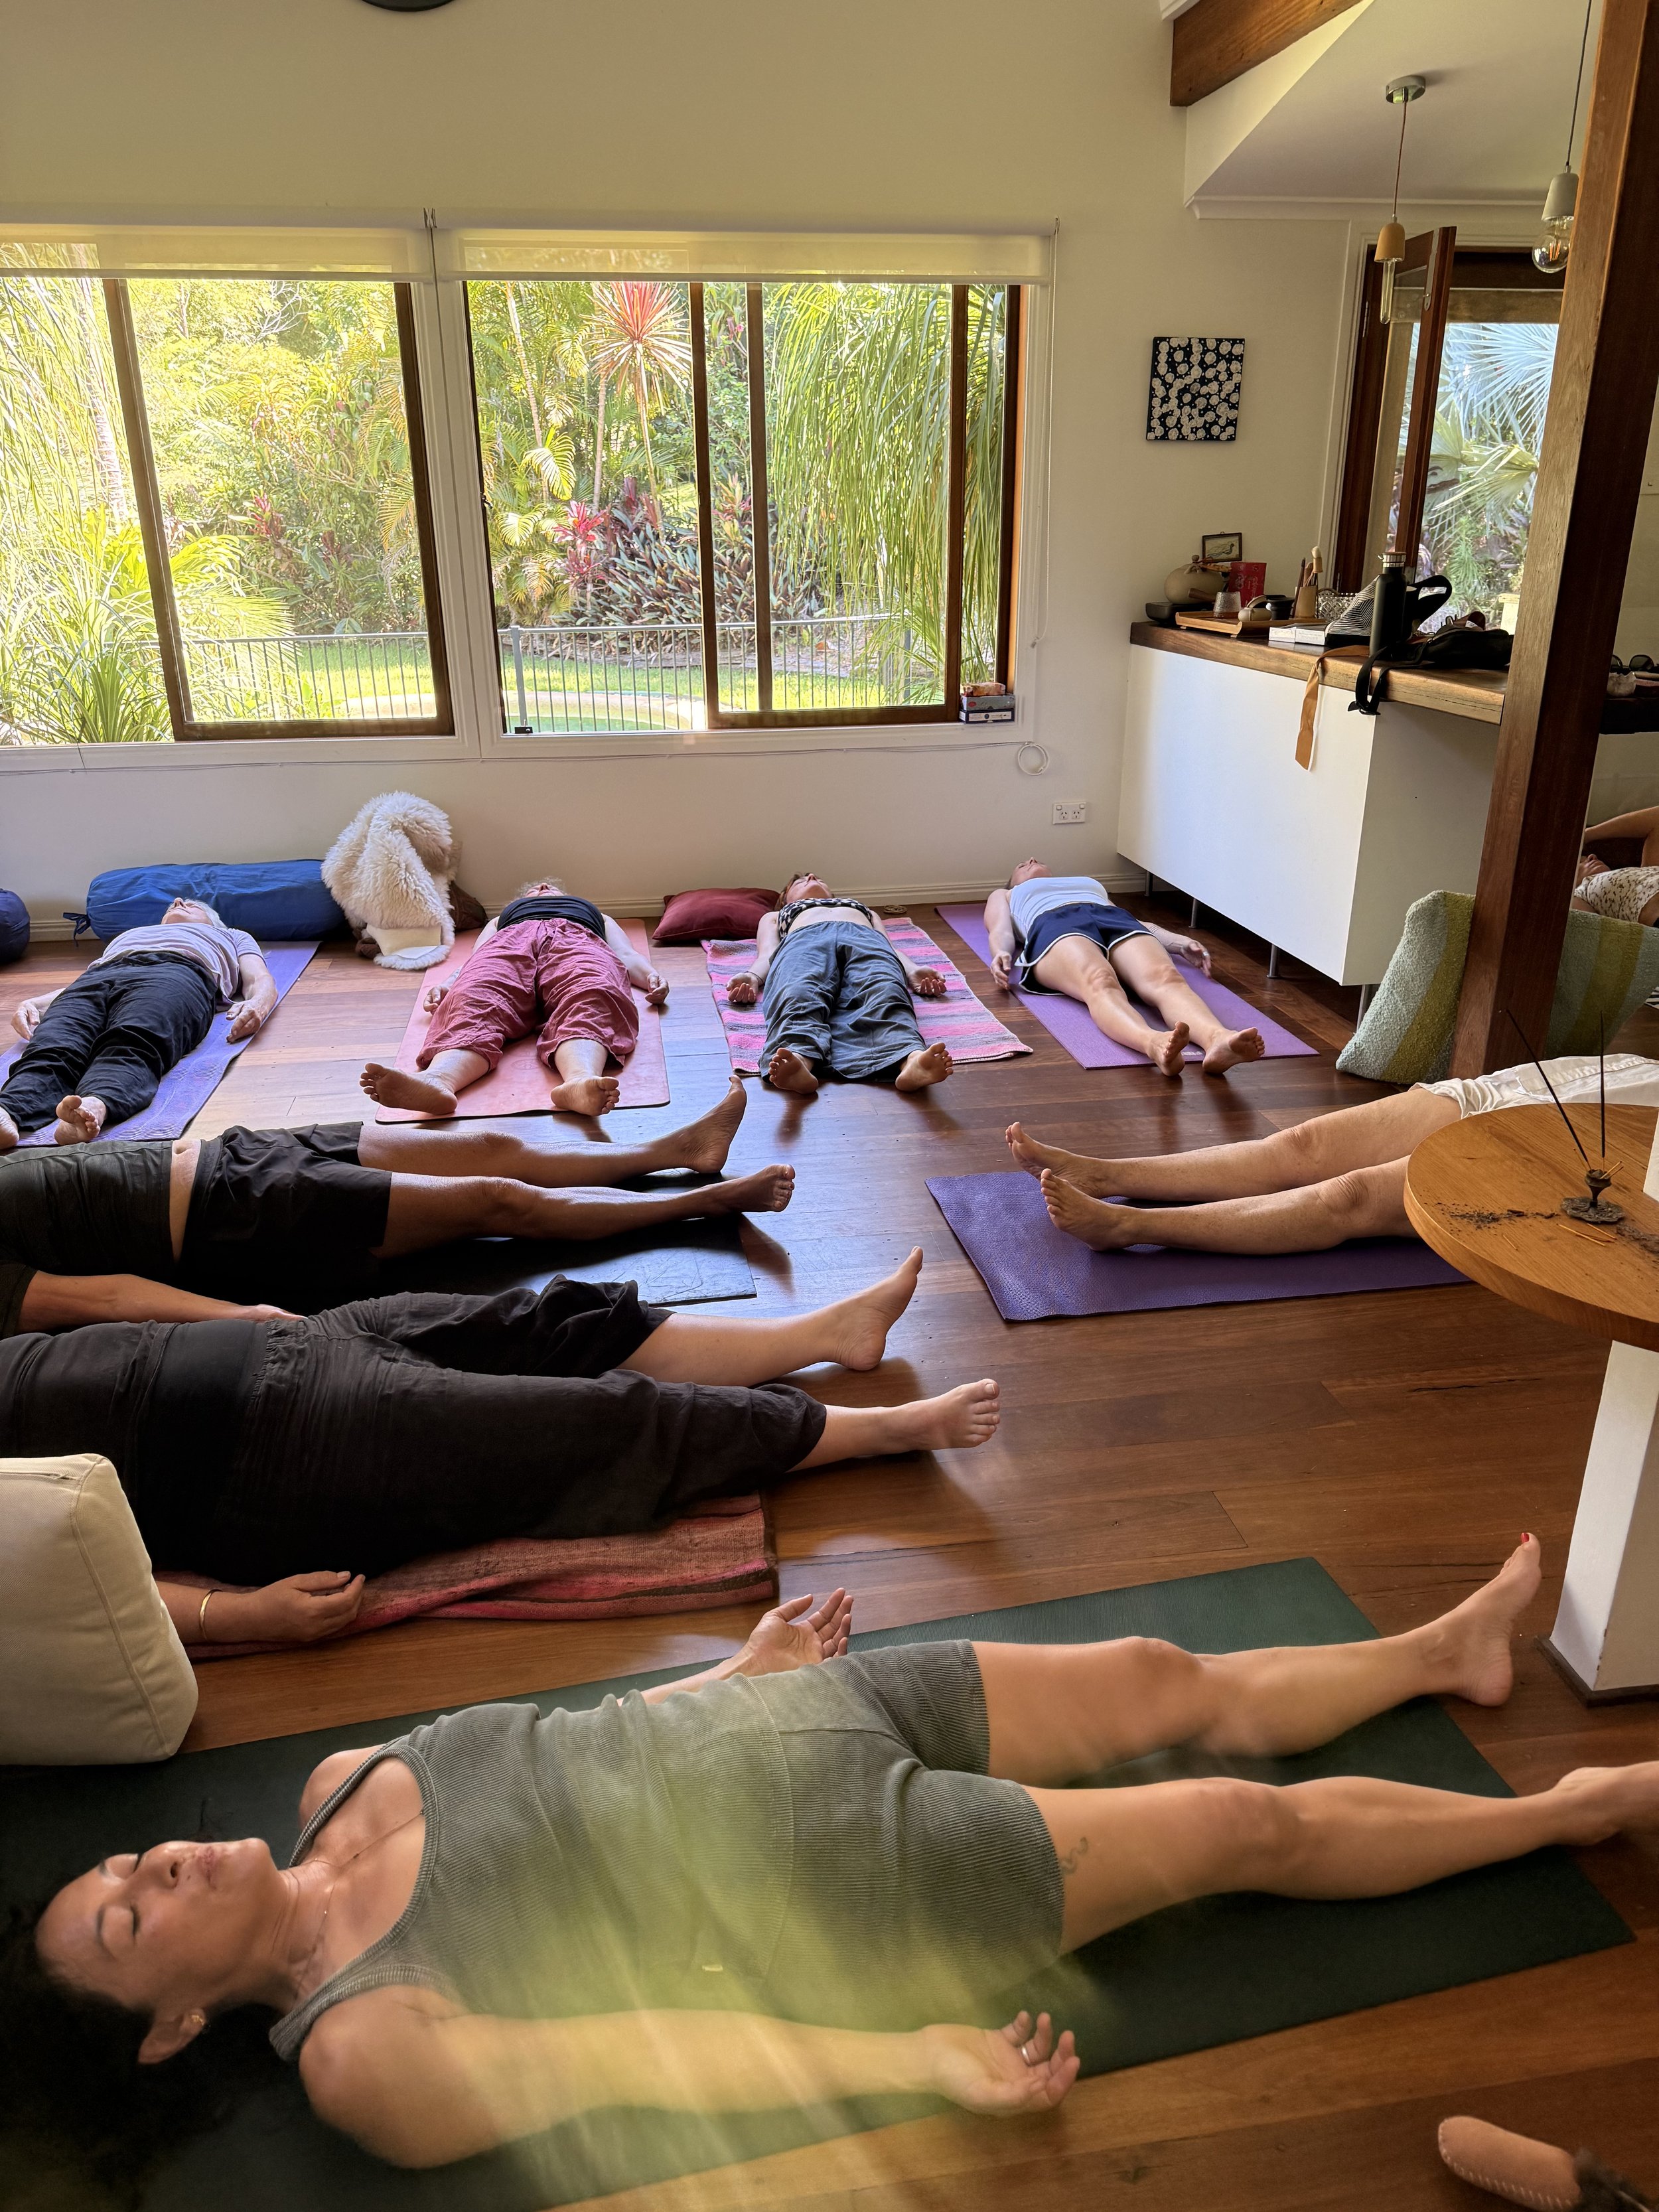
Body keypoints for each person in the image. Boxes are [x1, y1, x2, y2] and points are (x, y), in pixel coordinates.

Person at [19, 1538, 1659, 2181]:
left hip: (800, 1716)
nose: (156, 1862)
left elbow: (574, 1738)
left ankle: (1440, 1654)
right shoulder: (364, 2050)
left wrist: (736, 1670)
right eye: (128, 1914)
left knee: (1167, 1671)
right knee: (1247, 1828)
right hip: (855, 1872)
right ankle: (1566, 1814)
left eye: (129, 1860)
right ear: (170, 2026)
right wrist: (909, 2056)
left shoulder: (334, 1780)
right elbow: (648, 2061)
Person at [0, 1251, 999, 1638]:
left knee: (546, 1319)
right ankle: (884, 1431)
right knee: (589, 1423)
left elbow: (100, 1301)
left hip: (280, 1341)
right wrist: (232, 1616)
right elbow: (42, 1569)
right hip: (262, 1453)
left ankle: (821, 1337)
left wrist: (242, 1312)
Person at [0, 1076, 794, 1336]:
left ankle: (673, 1153)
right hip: (236, 1216)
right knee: (496, 1199)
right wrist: (235, 1319)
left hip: (234, 1151)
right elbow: (94, 1298)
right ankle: (705, 1200)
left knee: (489, 1149)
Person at [1005, 1053, 1659, 1254]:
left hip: (1572, 1148)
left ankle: (1128, 1225)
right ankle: (1102, 1173)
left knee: (1348, 1196)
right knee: (1303, 1143)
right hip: (1547, 1084)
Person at [359, 878, 671, 1120]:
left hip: (576, 941)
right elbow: (477, 959)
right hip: (510, 945)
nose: (544, 887)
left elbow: (624, 955)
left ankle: (580, 1080)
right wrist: (449, 984)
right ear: (521, 901)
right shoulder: (500, 920)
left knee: (593, 989)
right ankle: (439, 1080)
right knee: (478, 995)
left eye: (552, 887)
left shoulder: (597, 915)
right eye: (535, 888)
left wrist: (651, 977)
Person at [0, 898, 276, 1149]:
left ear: (213, 921)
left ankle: (93, 1106)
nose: (178, 901)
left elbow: (259, 978)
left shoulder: (231, 936)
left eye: (192, 904)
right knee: (55, 1041)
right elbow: (85, 980)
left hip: (178, 972)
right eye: (174, 903)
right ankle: (9, 1111)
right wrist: (37, 1003)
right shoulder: (131, 935)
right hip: (99, 978)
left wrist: (258, 1005)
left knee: (133, 1038)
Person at [983, 861, 1265, 1078]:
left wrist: (1178, 943)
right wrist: (1001, 954)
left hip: (1113, 918)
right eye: (1022, 864)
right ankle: (1153, 1042)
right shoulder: (1007, 894)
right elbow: (1000, 930)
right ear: (1013, 881)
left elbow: (1137, 921)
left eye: (1035, 859)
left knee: (1167, 978)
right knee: (1100, 980)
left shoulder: (1086, 883)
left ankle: (1217, 1039)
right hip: (1053, 924)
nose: (1031, 860)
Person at [726, 871, 953, 1098]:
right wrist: (753, 977)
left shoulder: (863, 910)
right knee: (798, 992)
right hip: (804, 941)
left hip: (865, 940)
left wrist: (912, 969)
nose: (812, 876)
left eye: (817, 877)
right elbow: (768, 953)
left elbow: (888, 947)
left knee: (884, 989)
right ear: (786, 898)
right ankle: (799, 1059)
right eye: (800, 880)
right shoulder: (776, 915)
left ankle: (911, 1061)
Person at [1573, 806, 1659, 926]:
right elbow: (1593, 931)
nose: (1592, 856)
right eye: (1580, 861)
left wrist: (1584, 836)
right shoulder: (1579, 895)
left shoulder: (1648, 871)